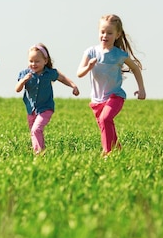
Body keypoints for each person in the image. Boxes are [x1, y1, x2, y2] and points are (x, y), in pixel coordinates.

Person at [76, 14, 146, 155]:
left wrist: (141, 89)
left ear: (117, 34)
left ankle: (107, 153)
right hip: (97, 100)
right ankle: (117, 152)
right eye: (102, 32)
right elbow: (79, 73)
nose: (105, 36)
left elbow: (135, 68)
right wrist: (89, 67)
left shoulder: (120, 54)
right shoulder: (91, 52)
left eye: (109, 33)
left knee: (105, 118)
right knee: (106, 125)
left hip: (115, 96)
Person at [16, 43, 80, 154]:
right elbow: (17, 89)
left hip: (45, 108)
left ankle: (39, 154)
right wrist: (23, 81)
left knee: (36, 129)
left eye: (37, 61)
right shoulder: (24, 74)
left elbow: (62, 78)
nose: (33, 64)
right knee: (34, 132)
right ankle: (41, 152)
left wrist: (73, 86)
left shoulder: (49, 73)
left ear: (45, 61)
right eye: (31, 61)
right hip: (30, 109)